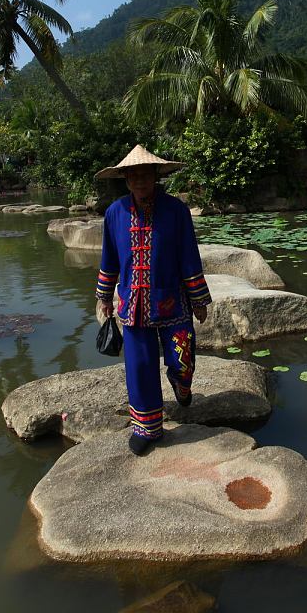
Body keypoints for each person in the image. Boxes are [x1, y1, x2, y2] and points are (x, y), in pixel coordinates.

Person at [94, 145, 211, 456]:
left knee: (183, 358)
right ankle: (148, 428)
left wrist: (199, 299)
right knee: (140, 366)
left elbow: (189, 257)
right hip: (133, 305)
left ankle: (181, 386)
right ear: (126, 180)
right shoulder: (115, 213)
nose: (140, 181)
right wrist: (104, 296)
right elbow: (109, 259)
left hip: (173, 300)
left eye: (145, 175)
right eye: (133, 176)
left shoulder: (176, 211)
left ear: (157, 176)